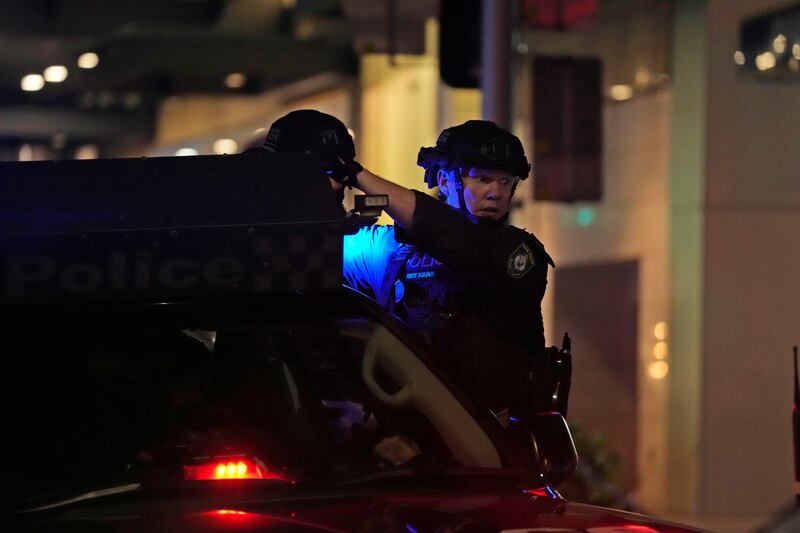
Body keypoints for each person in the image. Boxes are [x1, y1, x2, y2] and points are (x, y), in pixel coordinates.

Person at [263, 111, 555, 419]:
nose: (497, 192)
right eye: (483, 179)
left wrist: (357, 173)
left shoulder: (520, 255)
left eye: (506, 181)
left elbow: (456, 238)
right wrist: (312, 181)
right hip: (417, 437)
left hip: (494, 441)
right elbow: (309, 251)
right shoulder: (393, 250)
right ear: (444, 179)